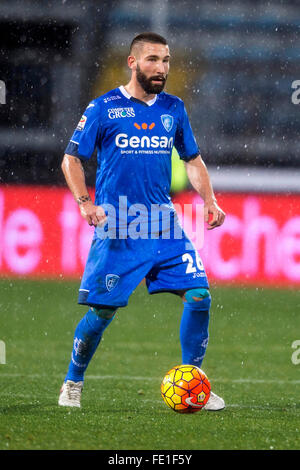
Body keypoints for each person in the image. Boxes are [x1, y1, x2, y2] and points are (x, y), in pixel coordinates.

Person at [58, 32, 226, 410]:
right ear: (133, 62)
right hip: (120, 225)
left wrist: (210, 200)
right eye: (153, 59)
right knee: (101, 313)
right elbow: (71, 159)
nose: (161, 68)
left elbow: (193, 159)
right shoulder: (103, 108)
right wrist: (85, 203)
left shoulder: (173, 108)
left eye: (166, 60)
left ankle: (193, 383)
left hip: (165, 224)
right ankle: (73, 380)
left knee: (199, 297)